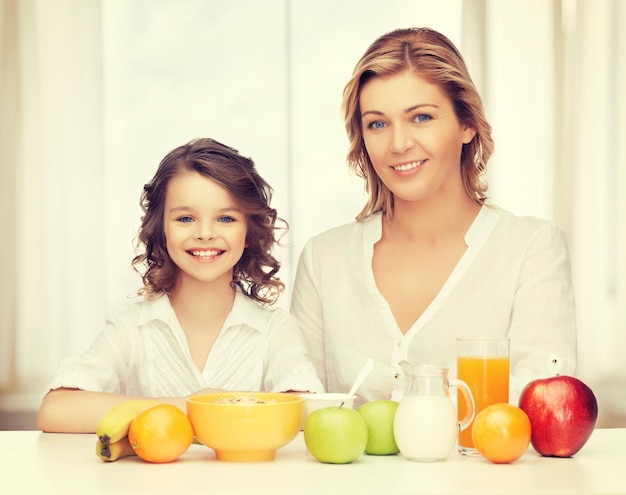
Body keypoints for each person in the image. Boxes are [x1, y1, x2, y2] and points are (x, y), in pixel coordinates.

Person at [290, 27, 576, 406]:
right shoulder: (322, 259)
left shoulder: (532, 249)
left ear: (467, 124)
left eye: (421, 117)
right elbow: (302, 408)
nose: (399, 144)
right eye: (377, 123)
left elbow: (543, 401)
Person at [38, 137, 323, 433]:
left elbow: (303, 410)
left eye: (225, 218)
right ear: (161, 230)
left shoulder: (275, 329)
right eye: (186, 218)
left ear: (248, 232)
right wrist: (191, 406)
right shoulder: (131, 327)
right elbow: (56, 409)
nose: (205, 233)